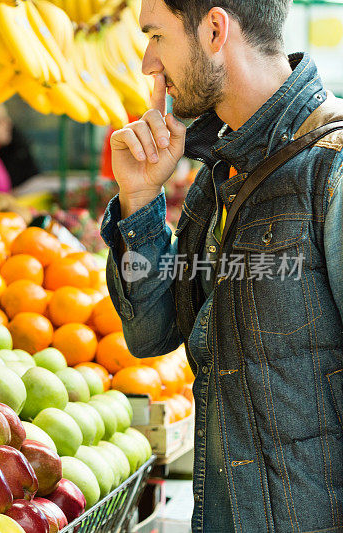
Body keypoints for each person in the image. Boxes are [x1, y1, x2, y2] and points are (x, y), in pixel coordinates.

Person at [100, 0, 343, 531]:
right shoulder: (220, 174)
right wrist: (140, 200)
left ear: (214, 29)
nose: (147, 62)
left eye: (156, 36)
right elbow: (152, 334)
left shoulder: (333, 170)